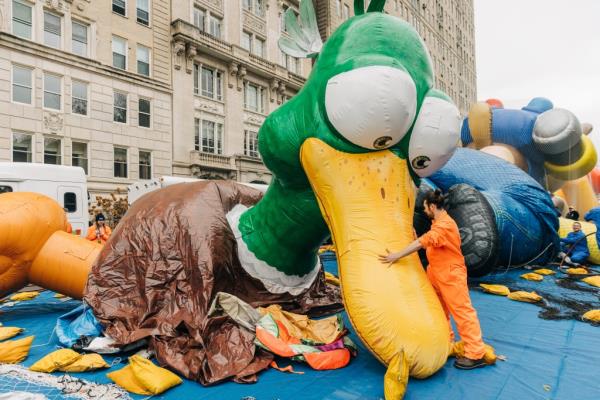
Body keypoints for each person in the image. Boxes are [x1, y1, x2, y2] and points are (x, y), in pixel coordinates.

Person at [378, 189, 488, 370]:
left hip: (450, 274)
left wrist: (396, 255)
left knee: (462, 312)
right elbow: (431, 244)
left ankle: (476, 353)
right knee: (439, 311)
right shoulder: (437, 222)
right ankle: (448, 341)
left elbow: (426, 241)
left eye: (425, 207)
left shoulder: (445, 224)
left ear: (432, 206)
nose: (424, 210)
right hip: (437, 272)